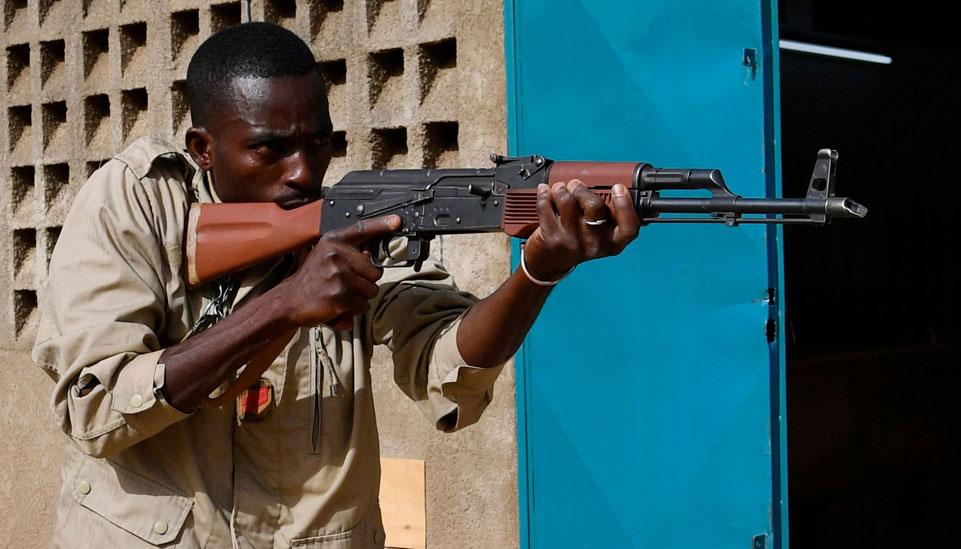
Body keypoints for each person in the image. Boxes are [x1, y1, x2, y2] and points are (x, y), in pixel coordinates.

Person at [33, 22, 639, 548]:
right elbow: (94, 407)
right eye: (270, 149)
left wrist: (537, 272)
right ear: (203, 149)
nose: (303, 170)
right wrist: (283, 309)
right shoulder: (137, 203)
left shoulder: (361, 218)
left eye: (319, 141)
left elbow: (442, 364)